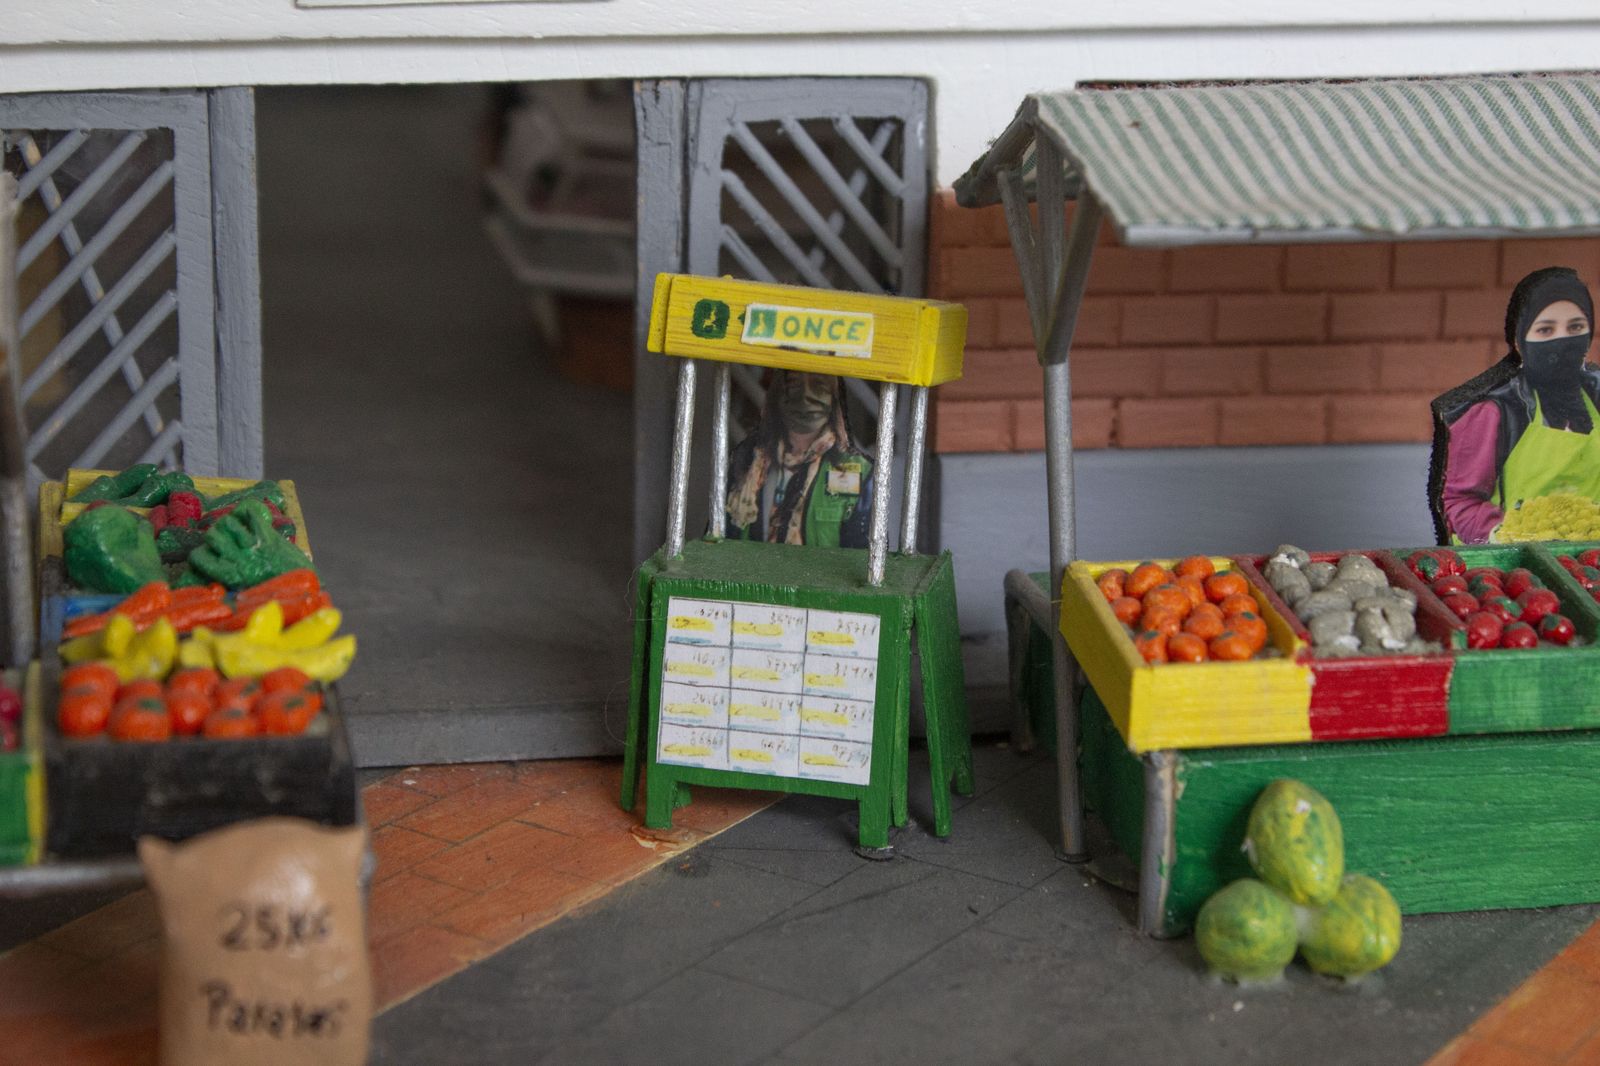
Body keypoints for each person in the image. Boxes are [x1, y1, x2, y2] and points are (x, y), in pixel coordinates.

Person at [1429, 266, 1600, 544]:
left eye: (1576, 327)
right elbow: (1458, 502)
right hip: (1511, 567)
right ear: (1519, 342)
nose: (1563, 341)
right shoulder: (1493, 412)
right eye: (1545, 330)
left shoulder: (1596, 396)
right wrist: (1506, 535)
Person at [724, 371, 874, 548]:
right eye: (793, 386)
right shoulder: (748, 458)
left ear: (834, 399)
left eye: (819, 387)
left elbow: (862, 556)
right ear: (777, 396)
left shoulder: (858, 472)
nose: (805, 397)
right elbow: (723, 538)